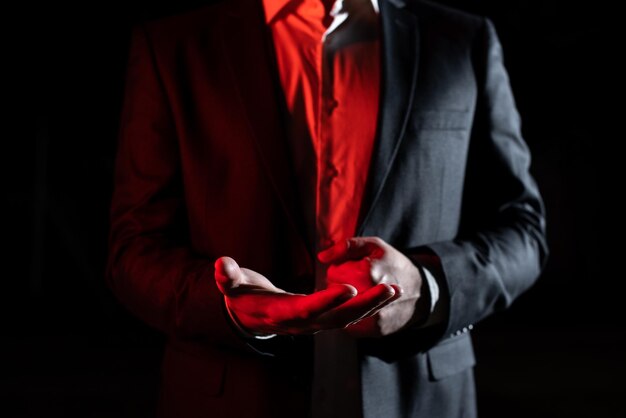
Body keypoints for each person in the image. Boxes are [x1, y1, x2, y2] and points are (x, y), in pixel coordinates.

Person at [106, 0, 548, 416]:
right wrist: (227, 309)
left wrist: (426, 285)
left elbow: (524, 229)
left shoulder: (463, 39)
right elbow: (133, 247)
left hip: (421, 401)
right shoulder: (172, 45)